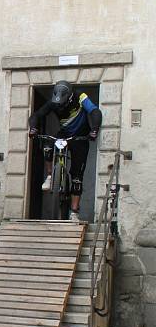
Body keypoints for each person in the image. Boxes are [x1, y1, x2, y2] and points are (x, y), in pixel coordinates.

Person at [29, 80, 102, 222]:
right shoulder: (54, 101)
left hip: (80, 137)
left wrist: (94, 129)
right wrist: (33, 128)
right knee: (48, 144)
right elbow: (37, 114)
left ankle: (74, 212)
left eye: (63, 103)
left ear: (69, 97)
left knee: (77, 177)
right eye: (58, 103)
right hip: (64, 134)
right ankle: (50, 176)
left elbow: (94, 111)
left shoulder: (80, 96)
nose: (60, 106)